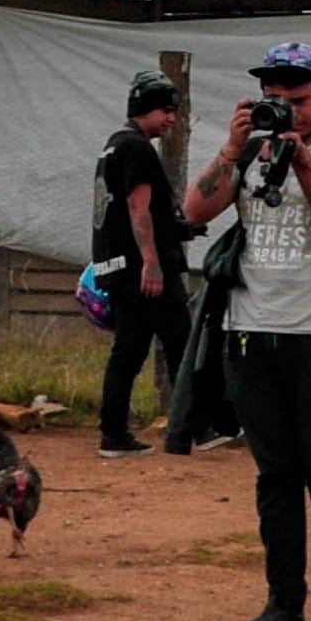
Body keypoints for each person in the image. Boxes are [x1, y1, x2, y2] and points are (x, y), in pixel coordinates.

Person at [180, 41, 311, 621]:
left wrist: (301, 161)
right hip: (250, 330)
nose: (288, 111)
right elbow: (194, 209)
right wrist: (232, 148)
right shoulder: (249, 150)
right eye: (276, 100)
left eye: (299, 99)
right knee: (274, 476)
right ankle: (283, 602)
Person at [91, 72, 187, 459]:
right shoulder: (137, 149)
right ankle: (196, 424)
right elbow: (138, 207)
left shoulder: (113, 147)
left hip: (117, 266)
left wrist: (178, 227)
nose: (171, 119)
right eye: (166, 110)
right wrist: (152, 262)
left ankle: (113, 433)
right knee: (182, 341)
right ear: (145, 108)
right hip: (142, 270)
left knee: (128, 351)